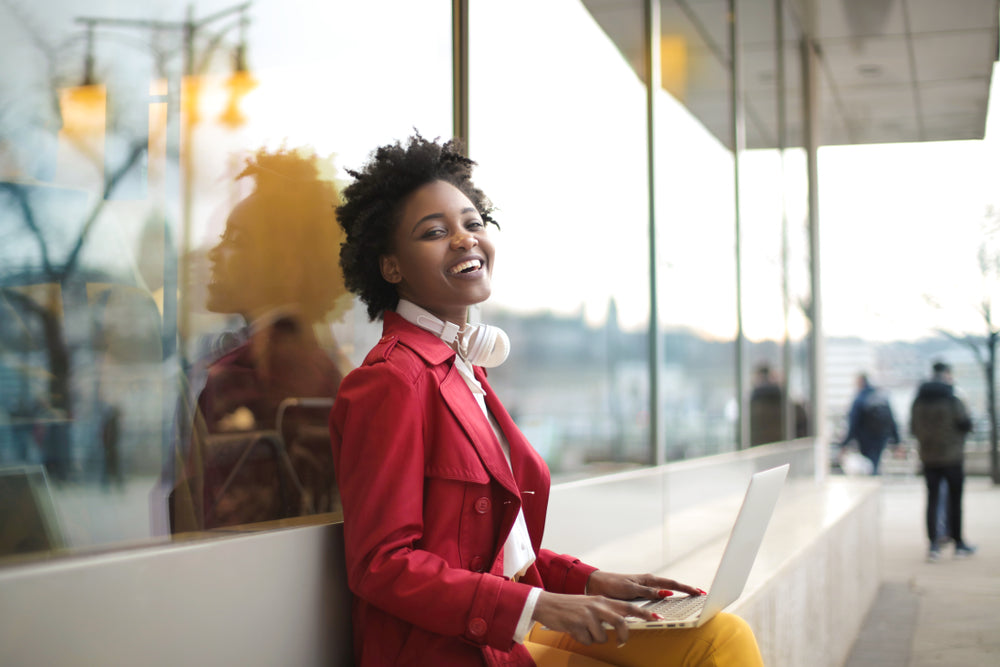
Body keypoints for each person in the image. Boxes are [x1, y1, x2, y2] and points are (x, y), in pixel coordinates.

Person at [329, 134, 764, 666]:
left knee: (723, 636)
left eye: (472, 223)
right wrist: (540, 604)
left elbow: (498, 554)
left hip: (500, 634)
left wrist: (595, 581)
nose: (464, 240)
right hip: (450, 650)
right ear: (391, 267)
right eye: (434, 232)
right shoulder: (391, 381)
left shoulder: (463, 367)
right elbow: (383, 564)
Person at [168, 147, 351, 531]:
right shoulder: (318, 362)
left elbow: (223, 517)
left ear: (284, 261)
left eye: (236, 240)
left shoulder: (249, 373)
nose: (216, 254)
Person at [910, 361, 976, 561]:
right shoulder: (953, 397)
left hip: (929, 457)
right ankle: (958, 543)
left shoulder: (919, 399)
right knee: (955, 501)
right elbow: (965, 423)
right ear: (946, 374)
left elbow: (913, 427)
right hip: (952, 457)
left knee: (932, 500)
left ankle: (933, 545)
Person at [838, 373, 900, 475]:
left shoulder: (860, 398)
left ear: (860, 382)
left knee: (868, 463)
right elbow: (892, 420)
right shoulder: (881, 396)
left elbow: (853, 422)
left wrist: (845, 443)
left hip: (865, 437)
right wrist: (897, 441)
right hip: (881, 436)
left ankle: (872, 480)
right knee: (875, 461)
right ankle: (875, 478)